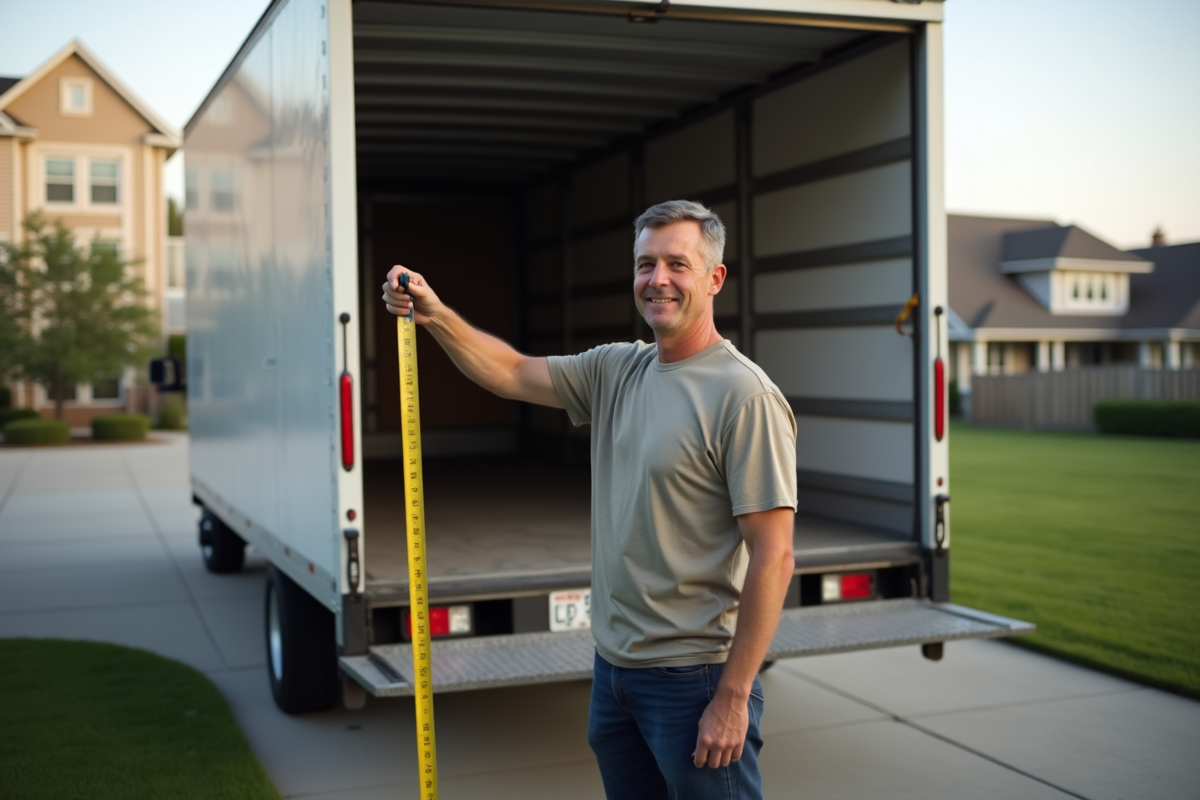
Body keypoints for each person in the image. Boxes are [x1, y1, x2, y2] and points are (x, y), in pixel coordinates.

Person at [382, 199, 797, 800]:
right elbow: (509, 371)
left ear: (715, 278)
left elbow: (774, 556)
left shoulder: (744, 396)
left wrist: (734, 696)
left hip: (694, 678)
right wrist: (437, 315)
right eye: (645, 264)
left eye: (677, 265)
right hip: (614, 672)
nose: (657, 280)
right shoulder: (616, 369)